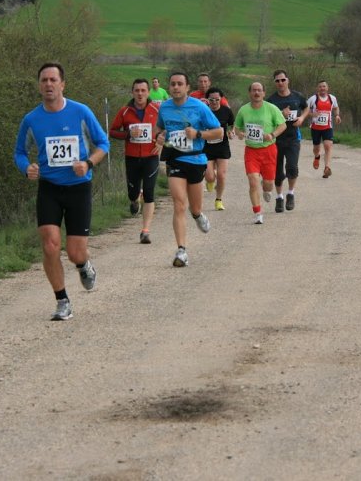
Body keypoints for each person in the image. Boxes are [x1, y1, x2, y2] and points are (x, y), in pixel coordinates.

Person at [14, 62, 110, 321]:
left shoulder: (80, 112)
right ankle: (62, 300)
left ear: (62, 84)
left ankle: (83, 264)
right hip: (49, 188)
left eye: (53, 80)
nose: (48, 84)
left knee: (75, 251)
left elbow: (103, 143)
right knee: (50, 244)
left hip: (78, 188)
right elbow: (20, 152)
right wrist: (27, 168)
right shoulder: (31, 119)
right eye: (44, 80)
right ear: (39, 85)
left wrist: (88, 162)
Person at [154, 72, 223, 266]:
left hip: (196, 159)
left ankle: (198, 215)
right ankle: (181, 250)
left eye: (179, 84)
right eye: (172, 84)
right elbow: (159, 129)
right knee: (178, 203)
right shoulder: (165, 107)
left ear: (187, 87)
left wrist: (199, 133)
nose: (175, 87)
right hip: (175, 159)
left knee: (194, 207)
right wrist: (159, 137)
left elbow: (219, 131)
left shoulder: (199, 107)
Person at [109, 78, 161, 243]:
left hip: (151, 157)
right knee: (132, 192)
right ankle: (134, 198)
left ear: (148, 92)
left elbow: (167, 128)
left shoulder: (156, 109)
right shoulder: (125, 111)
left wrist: (161, 139)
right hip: (131, 158)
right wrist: (128, 135)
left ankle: (145, 231)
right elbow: (112, 131)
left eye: (143, 90)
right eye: (137, 90)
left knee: (149, 192)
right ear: (132, 92)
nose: (140, 94)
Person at [234, 82, 287, 225]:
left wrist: (272, 134)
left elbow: (283, 125)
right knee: (252, 182)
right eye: (253, 90)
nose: (256, 93)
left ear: (263, 93)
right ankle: (257, 213)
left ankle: (266, 187)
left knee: (269, 184)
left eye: (259, 90)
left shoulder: (271, 108)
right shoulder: (243, 110)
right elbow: (237, 127)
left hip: (269, 150)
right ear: (249, 93)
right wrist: (239, 134)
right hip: (251, 151)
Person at [266, 70, 309, 213]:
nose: (280, 83)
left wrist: (302, 118)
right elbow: (267, 120)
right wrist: (280, 115)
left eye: (283, 80)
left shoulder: (297, 96)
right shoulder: (271, 101)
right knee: (277, 172)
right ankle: (279, 198)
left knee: (292, 167)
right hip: (276, 141)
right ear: (275, 83)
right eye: (277, 81)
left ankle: (290, 194)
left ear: (287, 80)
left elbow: (307, 107)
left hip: (293, 139)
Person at [204, 86, 234, 211]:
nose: (214, 102)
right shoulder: (203, 111)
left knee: (221, 175)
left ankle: (218, 200)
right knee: (210, 176)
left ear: (221, 99)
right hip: (206, 147)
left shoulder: (226, 111)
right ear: (207, 100)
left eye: (217, 99)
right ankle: (209, 181)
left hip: (222, 146)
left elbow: (232, 124)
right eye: (212, 100)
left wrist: (230, 131)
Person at [307, 80, 341, 178]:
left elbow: (336, 107)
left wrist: (337, 115)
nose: (322, 88)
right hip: (315, 128)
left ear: (327, 88)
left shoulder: (332, 98)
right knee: (316, 148)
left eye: (324, 86)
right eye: (320, 86)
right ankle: (317, 156)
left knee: (328, 145)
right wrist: (312, 114)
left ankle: (327, 168)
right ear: (318, 88)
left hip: (327, 126)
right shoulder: (313, 99)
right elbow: (305, 111)